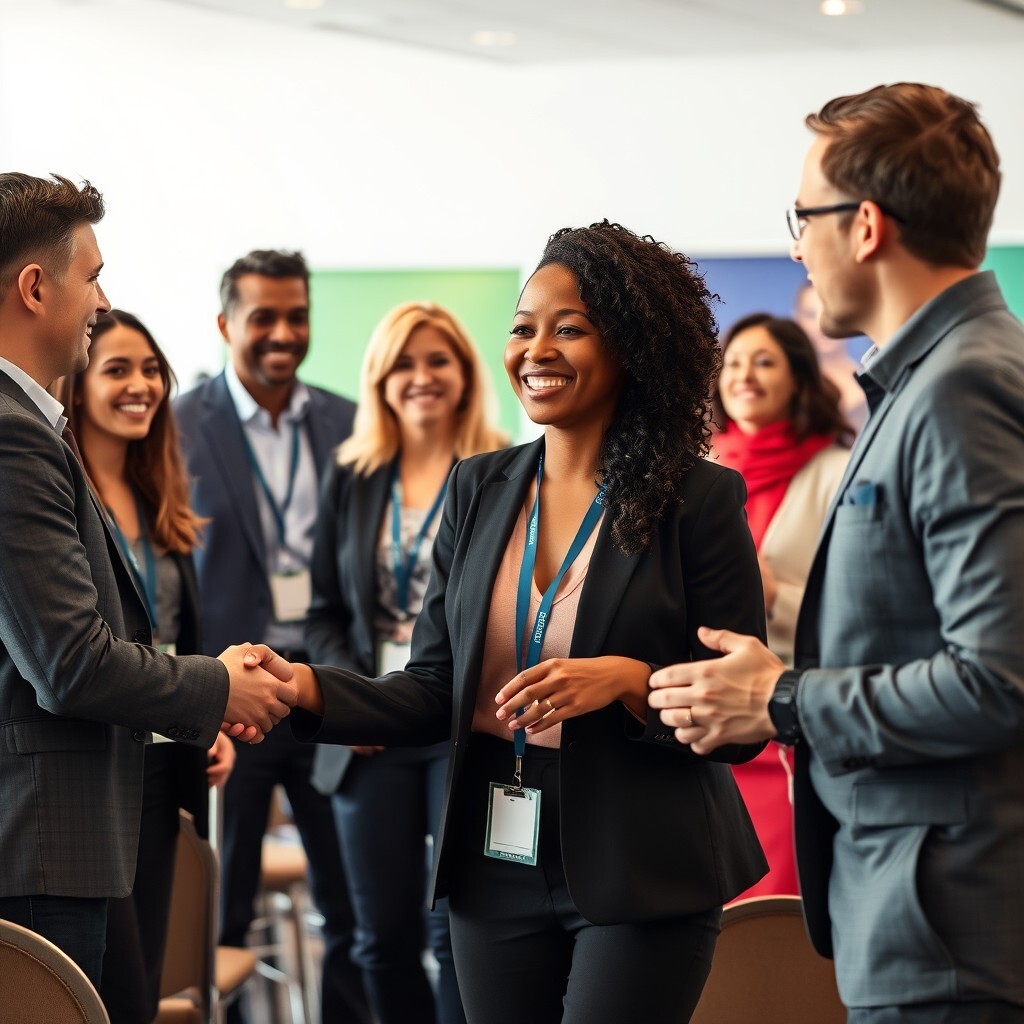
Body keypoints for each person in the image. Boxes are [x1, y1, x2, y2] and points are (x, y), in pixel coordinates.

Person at [270, 221, 769, 1024]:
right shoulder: (479, 487)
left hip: (641, 856)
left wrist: (630, 682)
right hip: (492, 853)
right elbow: (437, 686)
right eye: (523, 327)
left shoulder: (700, 500)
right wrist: (306, 689)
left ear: (632, 347)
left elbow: (741, 721)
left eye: (569, 328)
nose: (537, 349)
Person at [649, 83, 1024, 1023]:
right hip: (913, 903)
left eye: (802, 216)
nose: (794, 245)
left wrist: (777, 698)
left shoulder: (963, 387)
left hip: (947, 924)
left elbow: (1000, 680)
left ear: (864, 225)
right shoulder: (927, 381)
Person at [0, 173, 294, 987]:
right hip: (38, 847)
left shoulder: (31, 424)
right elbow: (70, 662)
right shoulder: (11, 434)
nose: (102, 300)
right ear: (35, 287)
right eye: (92, 276)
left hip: (68, 829)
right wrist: (216, 687)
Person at [174, 250, 369, 1024]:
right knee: (215, 920)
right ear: (227, 324)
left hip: (324, 698)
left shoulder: (350, 423)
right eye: (264, 317)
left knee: (351, 919)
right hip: (228, 706)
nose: (283, 333)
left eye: (297, 316)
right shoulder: (179, 423)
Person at [307, 301, 506, 1024]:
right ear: (380, 380)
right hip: (371, 734)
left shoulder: (503, 473)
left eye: (438, 361)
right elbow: (323, 610)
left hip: (461, 726)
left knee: (458, 932)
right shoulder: (353, 478)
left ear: (464, 373)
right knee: (379, 938)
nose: (421, 377)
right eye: (403, 364)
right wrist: (357, 696)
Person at [54, 309, 237, 1023]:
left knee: (146, 985)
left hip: (160, 773)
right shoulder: (59, 488)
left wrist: (205, 721)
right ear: (77, 383)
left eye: (152, 369)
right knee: (112, 992)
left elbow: (182, 640)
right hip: (91, 775)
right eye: (118, 369)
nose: (142, 386)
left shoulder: (161, 494)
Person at [713, 312, 851, 898]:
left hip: (790, 719)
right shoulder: (696, 470)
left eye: (764, 361)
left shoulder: (838, 472)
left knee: (779, 904)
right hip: (704, 723)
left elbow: (857, 604)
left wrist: (774, 597)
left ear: (799, 378)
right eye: (734, 362)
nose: (745, 375)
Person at [793, 279, 868, 433]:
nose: (820, 324)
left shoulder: (873, 377)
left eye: (831, 311)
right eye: (810, 314)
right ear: (797, 318)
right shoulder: (791, 384)